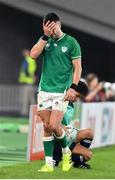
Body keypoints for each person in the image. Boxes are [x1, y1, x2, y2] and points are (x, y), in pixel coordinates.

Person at [30, 12, 82, 172]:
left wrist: (73, 87)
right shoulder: (44, 40)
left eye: (51, 27)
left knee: (54, 125)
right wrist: (45, 37)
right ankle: (48, 163)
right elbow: (33, 55)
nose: (49, 30)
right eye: (46, 27)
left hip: (62, 91)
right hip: (44, 90)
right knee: (46, 126)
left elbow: (78, 68)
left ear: (58, 24)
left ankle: (66, 153)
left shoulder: (71, 42)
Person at [53, 80, 93, 169]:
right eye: (77, 96)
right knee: (88, 154)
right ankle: (57, 156)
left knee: (90, 132)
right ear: (71, 90)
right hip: (58, 138)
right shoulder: (60, 100)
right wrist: (59, 126)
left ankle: (73, 160)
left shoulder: (70, 104)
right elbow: (51, 120)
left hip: (68, 134)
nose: (76, 99)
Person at [18, 49, 37, 115]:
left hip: (26, 82)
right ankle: (35, 112)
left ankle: (24, 112)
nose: (23, 52)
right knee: (31, 99)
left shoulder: (27, 60)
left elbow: (26, 70)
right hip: (29, 82)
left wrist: (31, 76)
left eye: (25, 51)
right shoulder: (31, 60)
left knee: (25, 99)